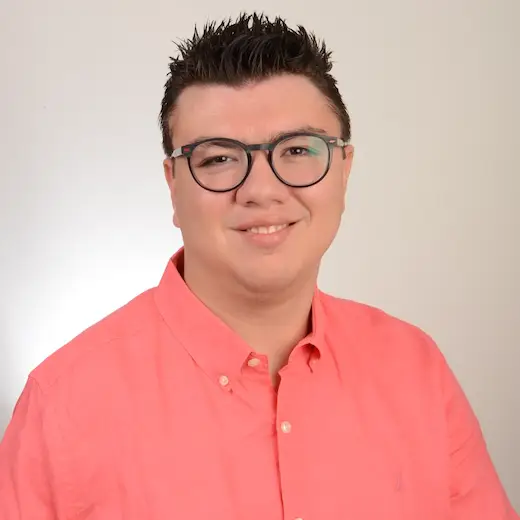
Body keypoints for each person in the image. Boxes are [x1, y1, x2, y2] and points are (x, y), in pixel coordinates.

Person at [0, 12, 517, 520]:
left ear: (344, 170)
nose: (262, 190)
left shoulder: (415, 370)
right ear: (173, 186)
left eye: (297, 149)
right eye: (219, 158)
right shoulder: (63, 403)